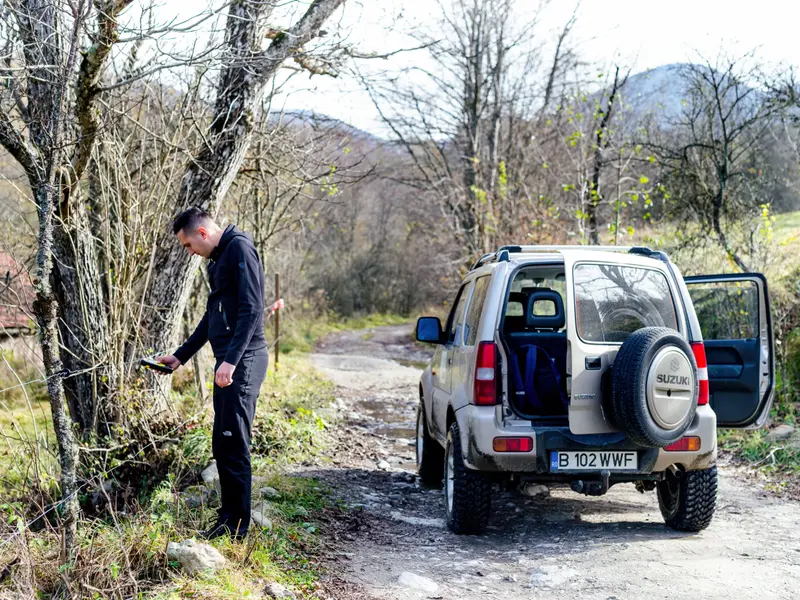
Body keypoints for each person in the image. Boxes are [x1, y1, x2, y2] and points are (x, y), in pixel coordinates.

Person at [157, 206, 268, 541]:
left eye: (189, 245)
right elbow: (211, 318)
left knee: (235, 444)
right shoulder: (218, 260)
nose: (190, 252)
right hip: (230, 363)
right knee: (222, 443)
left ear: (202, 233)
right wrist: (180, 356)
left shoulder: (240, 248)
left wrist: (231, 361)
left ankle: (238, 530)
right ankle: (227, 518)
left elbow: (253, 308)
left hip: (244, 361)